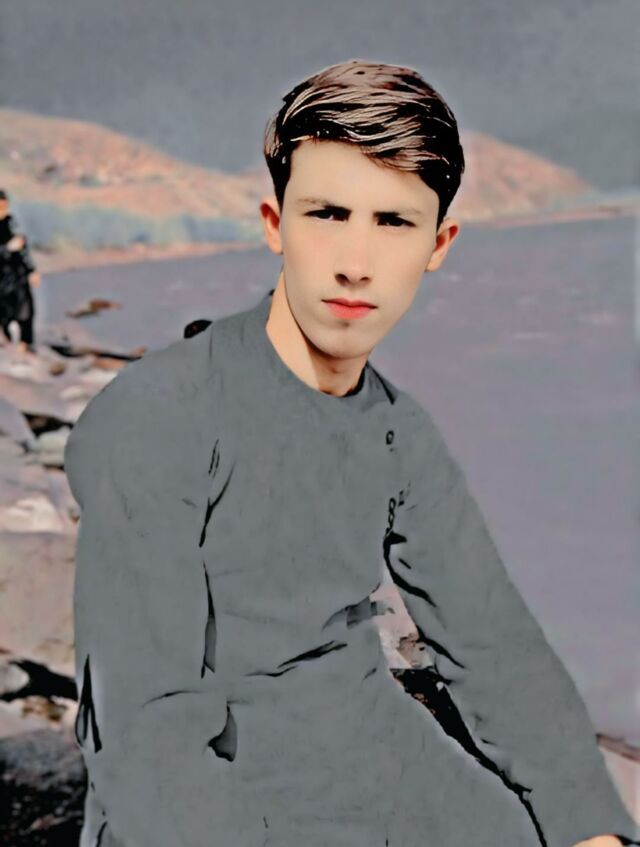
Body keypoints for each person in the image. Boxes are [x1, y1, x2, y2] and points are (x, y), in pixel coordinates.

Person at [64, 59, 639, 847]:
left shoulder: (400, 430)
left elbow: (492, 642)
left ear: (439, 243)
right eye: (328, 214)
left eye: (393, 222)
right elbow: (144, 729)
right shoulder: (159, 414)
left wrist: (587, 824)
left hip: (368, 745)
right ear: (275, 224)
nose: (356, 262)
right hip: (207, 783)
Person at [0, 189, 41, 352]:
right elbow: (11, 247)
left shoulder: (11, 223)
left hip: (18, 276)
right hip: (1, 278)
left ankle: (26, 345)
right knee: (3, 314)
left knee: (26, 311)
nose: (2, 209)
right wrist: (6, 249)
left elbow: (23, 250)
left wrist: (31, 270)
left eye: (4, 205)